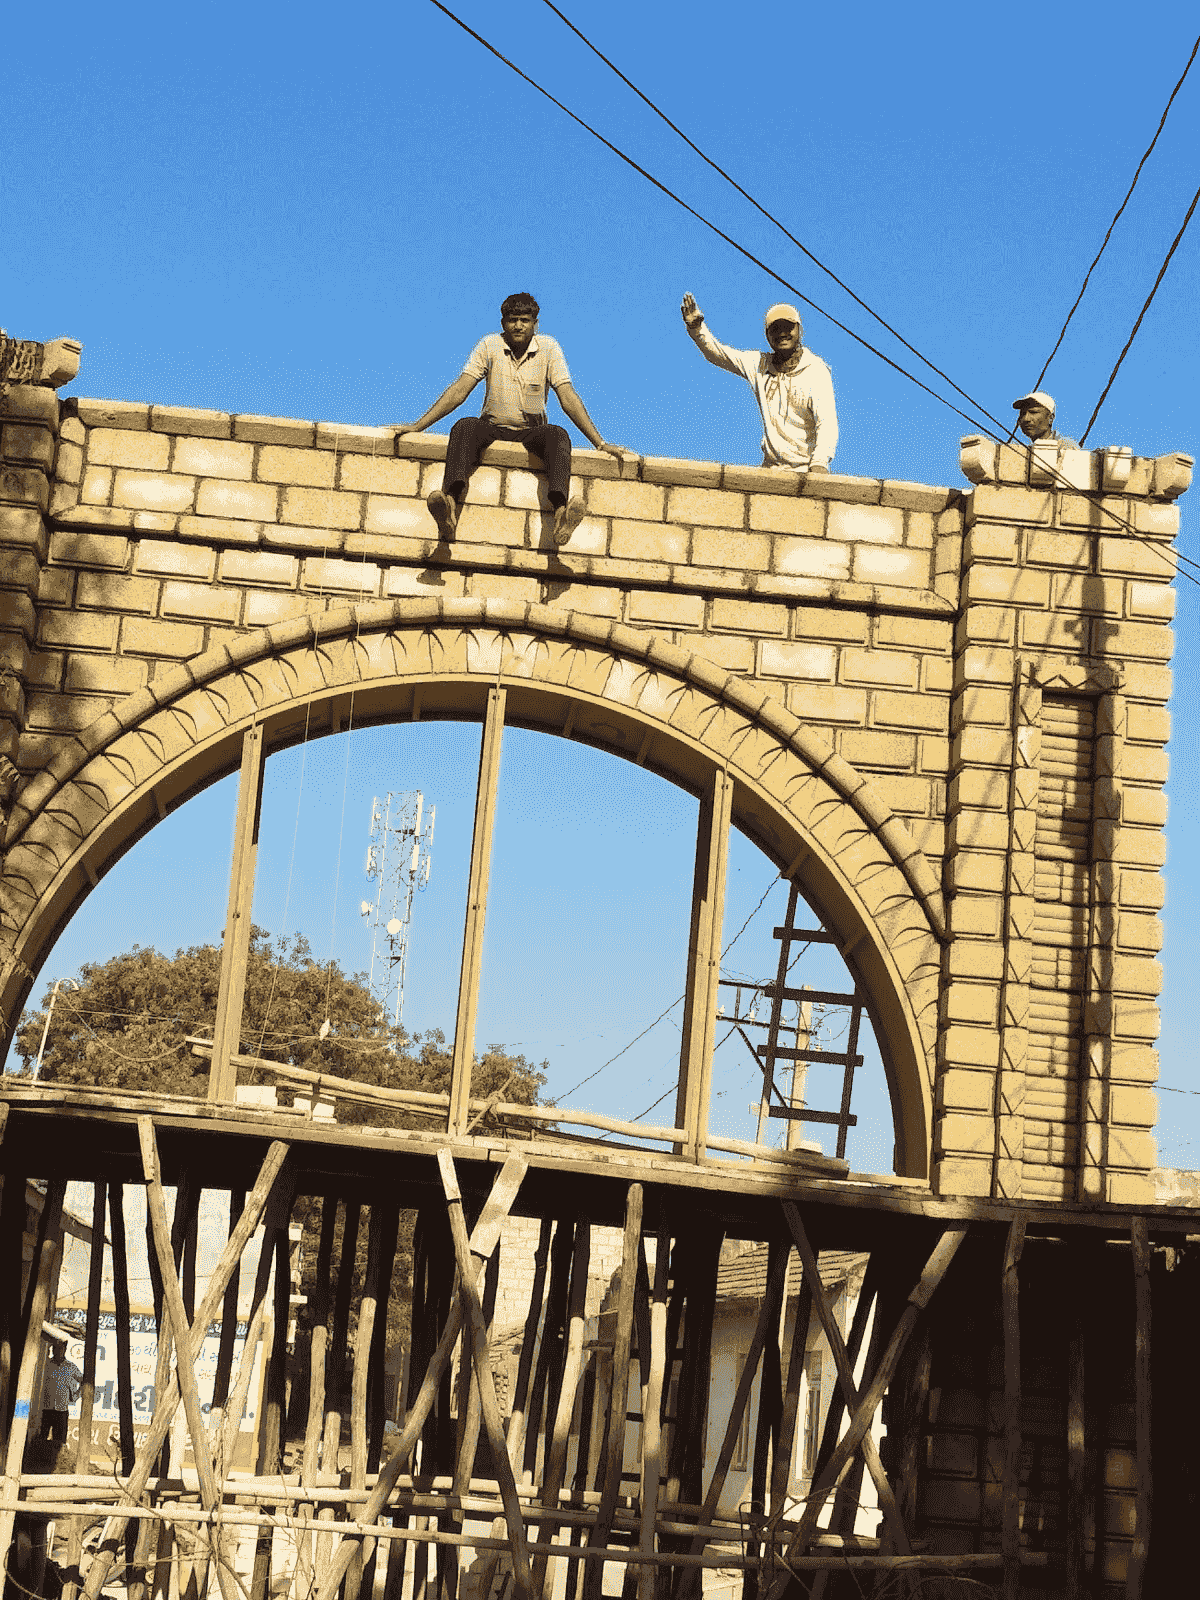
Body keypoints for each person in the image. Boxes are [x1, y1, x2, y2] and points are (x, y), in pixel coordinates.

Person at [395, 293, 630, 545]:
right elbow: (459, 390)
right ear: (503, 323)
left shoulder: (549, 348)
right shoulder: (489, 345)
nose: (518, 326)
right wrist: (417, 426)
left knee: (558, 435)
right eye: (512, 320)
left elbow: (568, 397)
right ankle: (449, 507)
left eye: (525, 320)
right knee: (464, 427)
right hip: (492, 427)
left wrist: (600, 443)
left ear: (535, 324)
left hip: (531, 432)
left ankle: (562, 514)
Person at [680, 293, 837, 472]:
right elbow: (719, 355)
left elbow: (827, 423)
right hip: (772, 470)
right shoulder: (760, 365)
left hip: (806, 470)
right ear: (767, 335)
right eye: (776, 329)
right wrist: (697, 329)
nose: (783, 334)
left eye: (788, 328)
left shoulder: (815, 370)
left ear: (800, 331)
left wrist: (819, 464)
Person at [1012, 390, 1077, 447]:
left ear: (1050, 418)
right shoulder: (1026, 451)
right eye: (1023, 414)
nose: (1026, 419)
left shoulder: (1065, 447)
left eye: (1033, 412)